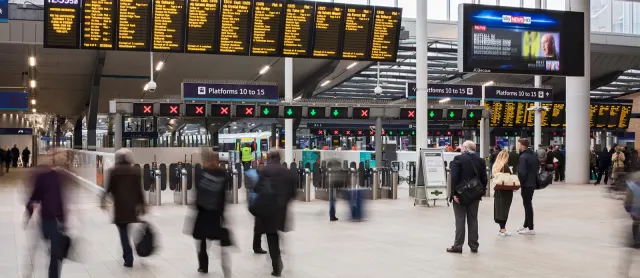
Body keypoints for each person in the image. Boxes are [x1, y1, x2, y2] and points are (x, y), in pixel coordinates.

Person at [25, 150, 69, 278]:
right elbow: (35, 196)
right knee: (54, 253)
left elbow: (35, 197)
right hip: (51, 219)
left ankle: (51, 274)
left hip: (54, 219)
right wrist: (28, 213)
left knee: (55, 253)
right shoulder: (46, 176)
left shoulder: (59, 175)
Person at [253, 150, 297, 276]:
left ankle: (276, 265)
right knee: (277, 233)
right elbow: (293, 193)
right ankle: (279, 258)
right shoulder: (287, 172)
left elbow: (256, 188)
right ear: (280, 158)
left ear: (269, 158)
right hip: (281, 209)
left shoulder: (264, 171)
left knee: (272, 237)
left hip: (267, 209)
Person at [100, 148, 146, 268]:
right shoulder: (135, 171)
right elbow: (139, 190)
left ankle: (128, 256)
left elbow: (108, 188)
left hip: (120, 206)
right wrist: (143, 205)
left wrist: (103, 200)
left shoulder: (114, 171)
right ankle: (129, 252)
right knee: (127, 229)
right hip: (132, 206)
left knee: (123, 231)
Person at [191, 149, 231, 275]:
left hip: (203, 212)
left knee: (202, 241)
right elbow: (224, 196)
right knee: (221, 242)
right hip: (217, 212)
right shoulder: (223, 174)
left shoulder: (201, 174)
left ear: (205, 160)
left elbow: (198, 194)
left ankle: (203, 266)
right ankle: (226, 267)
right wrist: (223, 213)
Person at [446, 141, 488, 254]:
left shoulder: (458, 159)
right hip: (475, 195)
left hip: (460, 195)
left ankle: (458, 246)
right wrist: (480, 191)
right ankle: (474, 245)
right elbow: (484, 179)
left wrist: (454, 193)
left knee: (460, 220)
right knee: (473, 220)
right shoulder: (481, 161)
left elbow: (454, 177)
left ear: (464, 148)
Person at [517, 138, 539, 235]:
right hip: (532, 183)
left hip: (526, 184)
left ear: (522, 145)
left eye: (518, 144)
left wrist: (519, 182)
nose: (518, 146)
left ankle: (530, 228)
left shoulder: (523, 157)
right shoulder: (533, 155)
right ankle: (526, 225)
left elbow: (522, 172)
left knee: (527, 205)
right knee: (527, 204)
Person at [492, 151, 516, 236]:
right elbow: (509, 178)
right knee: (504, 210)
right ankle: (503, 229)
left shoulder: (495, 166)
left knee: (499, 209)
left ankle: (501, 228)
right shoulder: (505, 166)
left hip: (498, 190)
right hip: (506, 191)